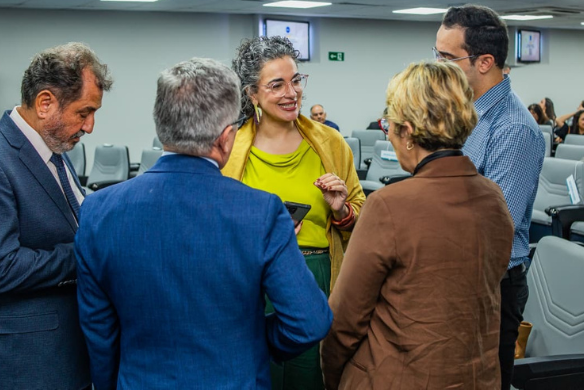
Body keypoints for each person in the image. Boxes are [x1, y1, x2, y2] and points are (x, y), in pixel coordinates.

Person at [75, 57, 333, 390]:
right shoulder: (261, 212)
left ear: (161, 126)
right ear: (226, 138)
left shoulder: (98, 211)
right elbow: (309, 321)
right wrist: (254, 342)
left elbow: (99, 331)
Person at [321, 61, 514, 389]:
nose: (388, 133)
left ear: (408, 132)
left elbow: (344, 322)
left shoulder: (388, 205)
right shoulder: (493, 197)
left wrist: (333, 378)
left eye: (389, 125)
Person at [222, 36, 365, 390]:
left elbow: (362, 215)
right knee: (256, 374)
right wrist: (264, 235)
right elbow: (213, 222)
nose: (292, 93)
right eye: (277, 85)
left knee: (311, 376)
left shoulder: (331, 143)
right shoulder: (229, 147)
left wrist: (342, 210)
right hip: (252, 278)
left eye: (296, 80)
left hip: (315, 277)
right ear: (252, 94)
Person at [435, 4, 545, 390]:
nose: (438, 66)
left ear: (484, 62)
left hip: (492, 285)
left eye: (446, 58)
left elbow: (494, 229)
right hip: (460, 272)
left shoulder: (513, 129)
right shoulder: (463, 115)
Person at [0, 42, 112, 390]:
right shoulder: (3, 159)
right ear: (45, 103)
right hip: (32, 362)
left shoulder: (53, 149)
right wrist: (86, 253)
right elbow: (3, 267)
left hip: (70, 354)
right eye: (84, 112)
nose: (90, 126)